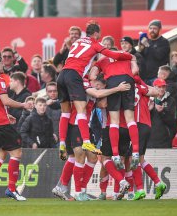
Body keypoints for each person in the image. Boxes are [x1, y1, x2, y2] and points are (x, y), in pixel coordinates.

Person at [56, 20, 132, 158]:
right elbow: (113, 55)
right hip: (74, 75)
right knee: (81, 109)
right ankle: (86, 141)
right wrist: (128, 56)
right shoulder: (96, 43)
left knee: (65, 112)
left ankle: (61, 143)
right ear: (97, 33)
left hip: (61, 75)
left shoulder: (77, 42)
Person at [53, 76, 131, 201]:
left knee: (92, 158)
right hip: (75, 125)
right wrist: (118, 88)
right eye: (98, 85)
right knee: (79, 156)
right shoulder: (85, 86)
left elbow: (103, 103)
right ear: (93, 81)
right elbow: (97, 93)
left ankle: (75, 189)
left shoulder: (94, 93)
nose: (99, 88)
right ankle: (77, 191)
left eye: (102, 86)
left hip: (85, 127)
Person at [0, 55, 33, 201]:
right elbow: (5, 100)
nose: (3, 66)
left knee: (0, 156)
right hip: (1, 123)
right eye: (2, 64)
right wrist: (23, 104)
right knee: (17, 153)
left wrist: (5, 114)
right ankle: (11, 189)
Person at [90, 49, 139, 170]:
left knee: (114, 121)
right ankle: (136, 153)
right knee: (130, 120)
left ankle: (115, 155)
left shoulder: (102, 60)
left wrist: (103, 75)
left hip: (112, 82)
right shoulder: (126, 57)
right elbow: (135, 71)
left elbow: (92, 76)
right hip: (128, 80)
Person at [138, 20, 170, 85]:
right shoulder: (147, 41)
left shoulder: (164, 42)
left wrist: (148, 45)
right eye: (150, 28)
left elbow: (159, 56)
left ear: (159, 29)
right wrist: (140, 50)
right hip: (145, 78)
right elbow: (142, 59)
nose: (152, 30)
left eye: (155, 28)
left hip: (157, 77)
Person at [148, 78, 177, 148]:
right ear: (154, 87)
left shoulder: (171, 101)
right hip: (149, 139)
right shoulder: (148, 100)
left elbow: (173, 121)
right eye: (159, 87)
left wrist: (162, 112)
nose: (161, 89)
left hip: (164, 140)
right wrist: (149, 110)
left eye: (163, 87)